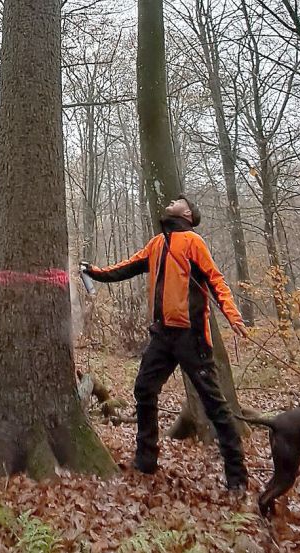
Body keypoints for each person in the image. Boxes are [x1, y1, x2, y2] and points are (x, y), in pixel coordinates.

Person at [81, 195, 249, 494]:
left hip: (191, 336)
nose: (171, 201)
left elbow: (216, 280)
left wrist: (233, 317)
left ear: (187, 214)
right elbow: (128, 267)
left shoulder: (194, 242)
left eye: (178, 201)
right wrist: (94, 271)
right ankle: (146, 459)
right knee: (144, 389)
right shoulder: (157, 243)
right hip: (161, 336)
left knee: (214, 404)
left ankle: (237, 476)